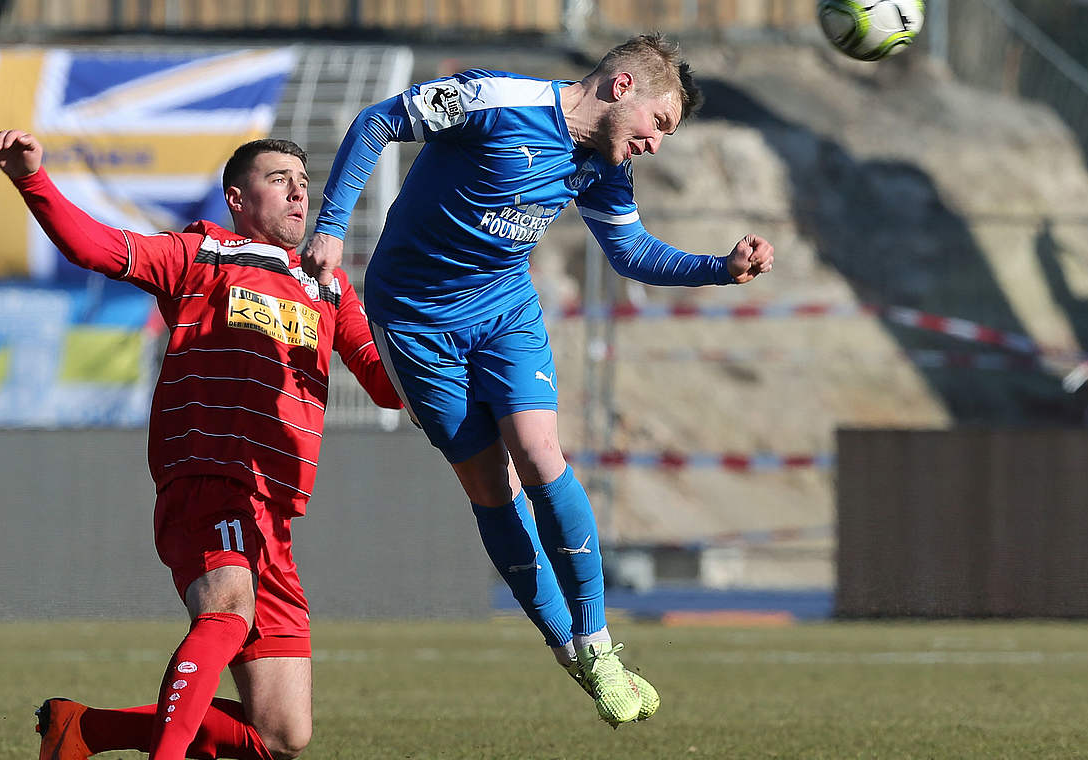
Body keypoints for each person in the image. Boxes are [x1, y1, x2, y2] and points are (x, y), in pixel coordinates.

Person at [301, 33, 774, 727]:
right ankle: (569, 652)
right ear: (621, 88)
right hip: (414, 320)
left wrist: (719, 267)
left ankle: (599, 644)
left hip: (503, 309)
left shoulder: (601, 164)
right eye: (659, 123)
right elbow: (377, 121)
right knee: (493, 486)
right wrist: (334, 225)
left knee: (540, 453)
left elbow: (631, 250)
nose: (656, 144)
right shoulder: (494, 99)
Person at [0, 129, 402, 760]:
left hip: (275, 515)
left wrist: (444, 341)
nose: (298, 191)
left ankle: (85, 730)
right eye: (278, 178)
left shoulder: (327, 287)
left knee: (284, 735)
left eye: (302, 180)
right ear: (237, 198)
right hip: (211, 476)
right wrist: (32, 179)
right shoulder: (201, 254)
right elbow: (94, 246)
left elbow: (387, 384)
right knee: (226, 610)